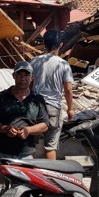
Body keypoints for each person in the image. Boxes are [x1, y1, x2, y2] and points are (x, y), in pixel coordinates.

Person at [0, 61, 49, 197]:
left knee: (24, 196)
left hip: (26, 155)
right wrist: (5, 128)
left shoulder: (37, 99)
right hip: (1, 154)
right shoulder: (0, 97)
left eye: (26, 75)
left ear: (32, 78)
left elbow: (44, 125)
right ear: (13, 76)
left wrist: (28, 130)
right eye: (19, 74)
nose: (22, 78)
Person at [30, 29, 74, 160]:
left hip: (35, 108)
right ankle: (50, 176)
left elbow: (28, 85)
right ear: (60, 44)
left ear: (44, 44)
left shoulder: (34, 62)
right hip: (53, 108)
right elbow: (68, 89)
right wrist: (71, 108)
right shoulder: (63, 64)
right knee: (50, 146)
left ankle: (28, 176)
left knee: (31, 145)